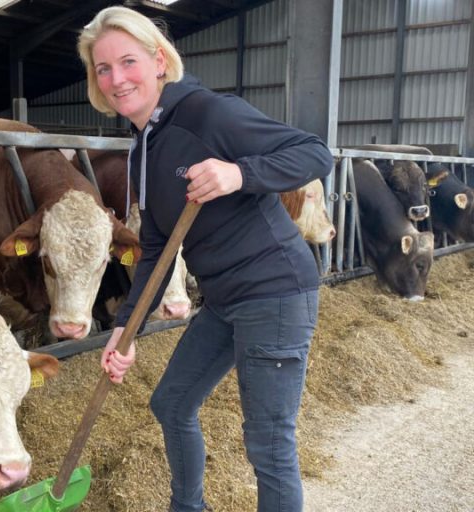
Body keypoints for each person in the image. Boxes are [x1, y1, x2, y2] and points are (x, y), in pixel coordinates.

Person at [77, 6, 334, 512]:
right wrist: (124, 330)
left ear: (157, 60)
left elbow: (314, 153)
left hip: (275, 291)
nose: (116, 79)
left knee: (269, 443)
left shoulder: (207, 113)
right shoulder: (142, 147)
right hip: (222, 298)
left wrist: (238, 174)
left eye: (127, 62)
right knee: (171, 403)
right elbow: (156, 247)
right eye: (102, 69)